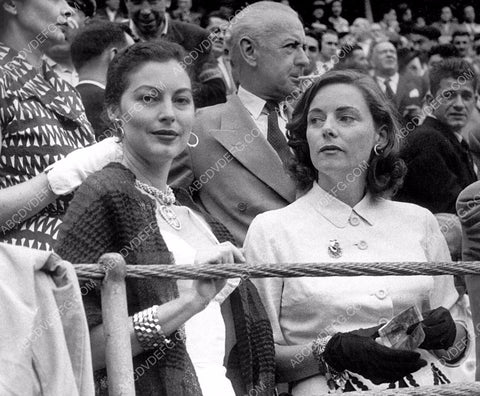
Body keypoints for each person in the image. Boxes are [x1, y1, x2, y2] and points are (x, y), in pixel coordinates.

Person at [55, 40, 275, 396]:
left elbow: (230, 347)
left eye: (182, 100)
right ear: (114, 110)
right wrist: (188, 303)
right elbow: (73, 349)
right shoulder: (103, 195)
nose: (169, 113)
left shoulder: (198, 216)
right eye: (148, 98)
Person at [244, 70, 473, 394]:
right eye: (316, 120)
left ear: (380, 136)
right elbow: (259, 359)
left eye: (346, 118)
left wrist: (452, 335)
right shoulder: (271, 231)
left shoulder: (419, 222)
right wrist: (329, 352)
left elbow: (458, 353)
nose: (327, 129)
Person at [173, 1, 308, 245]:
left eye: (304, 47)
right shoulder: (197, 128)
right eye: (292, 46)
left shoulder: (314, 124)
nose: (305, 60)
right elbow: (168, 215)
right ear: (249, 51)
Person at [0, 0, 121, 250]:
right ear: (11, 4)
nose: (68, 10)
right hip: (22, 270)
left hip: (85, 261)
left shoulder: (66, 90)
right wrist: (60, 178)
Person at [124, 0, 226, 108]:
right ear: (126, 3)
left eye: (153, 1)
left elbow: (217, 92)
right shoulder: (111, 37)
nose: (145, 10)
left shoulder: (196, 37)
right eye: (137, 2)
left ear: (167, 2)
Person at [71, 21, 134, 140]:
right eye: (132, 54)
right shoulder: (117, 107)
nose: (138, 63)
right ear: (115, 56)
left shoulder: (63, 101)